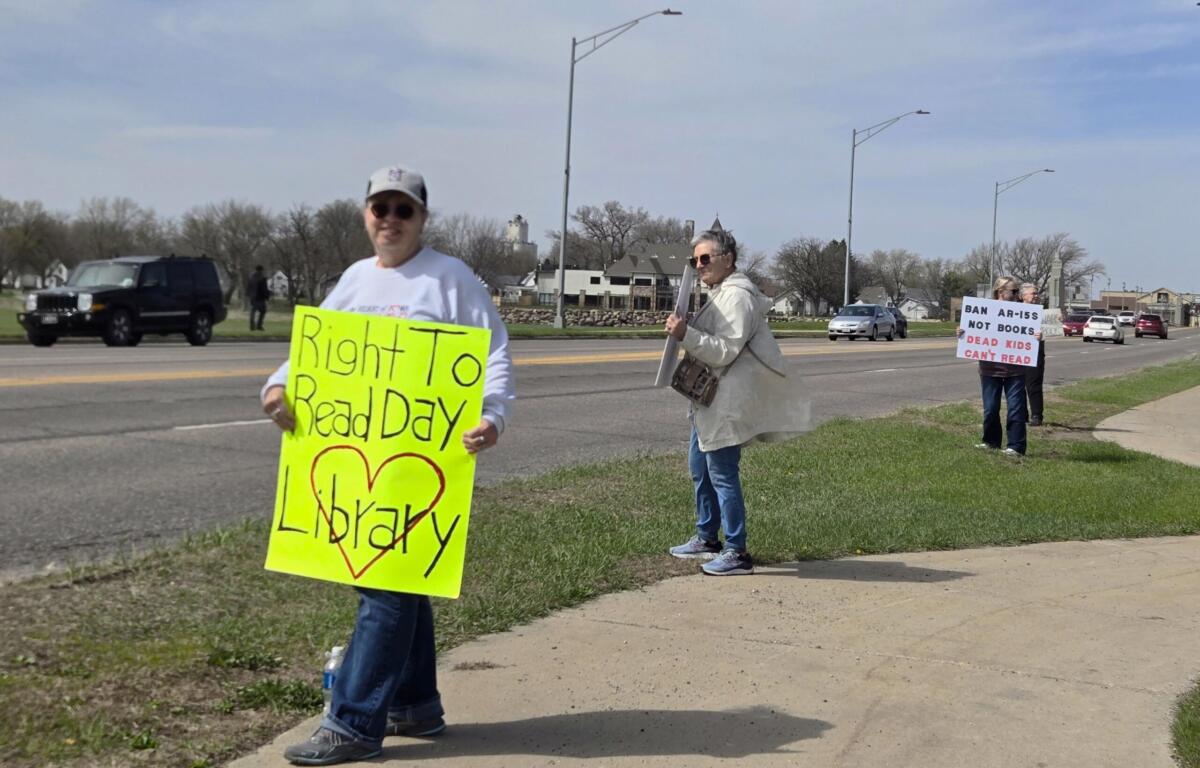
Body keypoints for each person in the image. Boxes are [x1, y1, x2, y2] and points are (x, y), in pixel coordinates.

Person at [261, 164, 514, 766]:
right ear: (365, 214)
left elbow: (494, 352)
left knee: (385, 588)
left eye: (404, 210)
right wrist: (278, 388)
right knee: (399, 581)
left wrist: (493, 417)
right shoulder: (353, 280)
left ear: (423, 218)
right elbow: (314, 353)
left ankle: (352, 723)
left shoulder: (450, 280)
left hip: (420, 467)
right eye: (381, 208)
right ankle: (414, 704)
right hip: (354, 464)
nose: (391, 220)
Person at [664, 228, 809, 576]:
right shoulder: (721, 293)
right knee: (700, 469)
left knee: (723, 474)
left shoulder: (737, 297)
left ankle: (736, 551)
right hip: (709, 399)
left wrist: (686, 334)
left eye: (705, 258)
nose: (698, 266)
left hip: (727, 399)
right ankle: (706, 536)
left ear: (727, 259)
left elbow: (724, 350)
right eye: (694, 260)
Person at [957, 275, 1027, 456]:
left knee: (1016, 409)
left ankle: (1016, 446)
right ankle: (991, 442)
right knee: (990, 409)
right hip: (990, 369)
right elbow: (973, 332)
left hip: (1015, 370)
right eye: (1013, 291)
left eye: (1017, 291)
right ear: (1000, 291)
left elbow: (1029, 335)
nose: (1016, 294)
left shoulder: (1024, 312)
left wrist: (1036, 337)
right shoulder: (984, 310)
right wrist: (963, 332)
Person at [1020, 282, 1046, 426]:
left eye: (1036, 293)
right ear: (1023, 296)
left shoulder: (1043, 313)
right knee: (1018, 385)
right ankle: (1022, 414)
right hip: (1018, 352)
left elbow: (1051, 329)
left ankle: (1037, 415)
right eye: (1033, 293)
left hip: (1036, 352)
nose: (1036, 296)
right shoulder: (1013, 311)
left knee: (1033, 385)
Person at [248, 265, 271, 331]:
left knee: (253, 312)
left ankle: (252, 326)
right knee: (263, 311)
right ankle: (259, 325)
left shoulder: (251, 277)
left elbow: (249, 287)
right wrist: (267, 296)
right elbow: (264, 289)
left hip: (253, 298)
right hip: (260, 298)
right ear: (261, 270)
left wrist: (249, 295)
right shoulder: (262, 278)